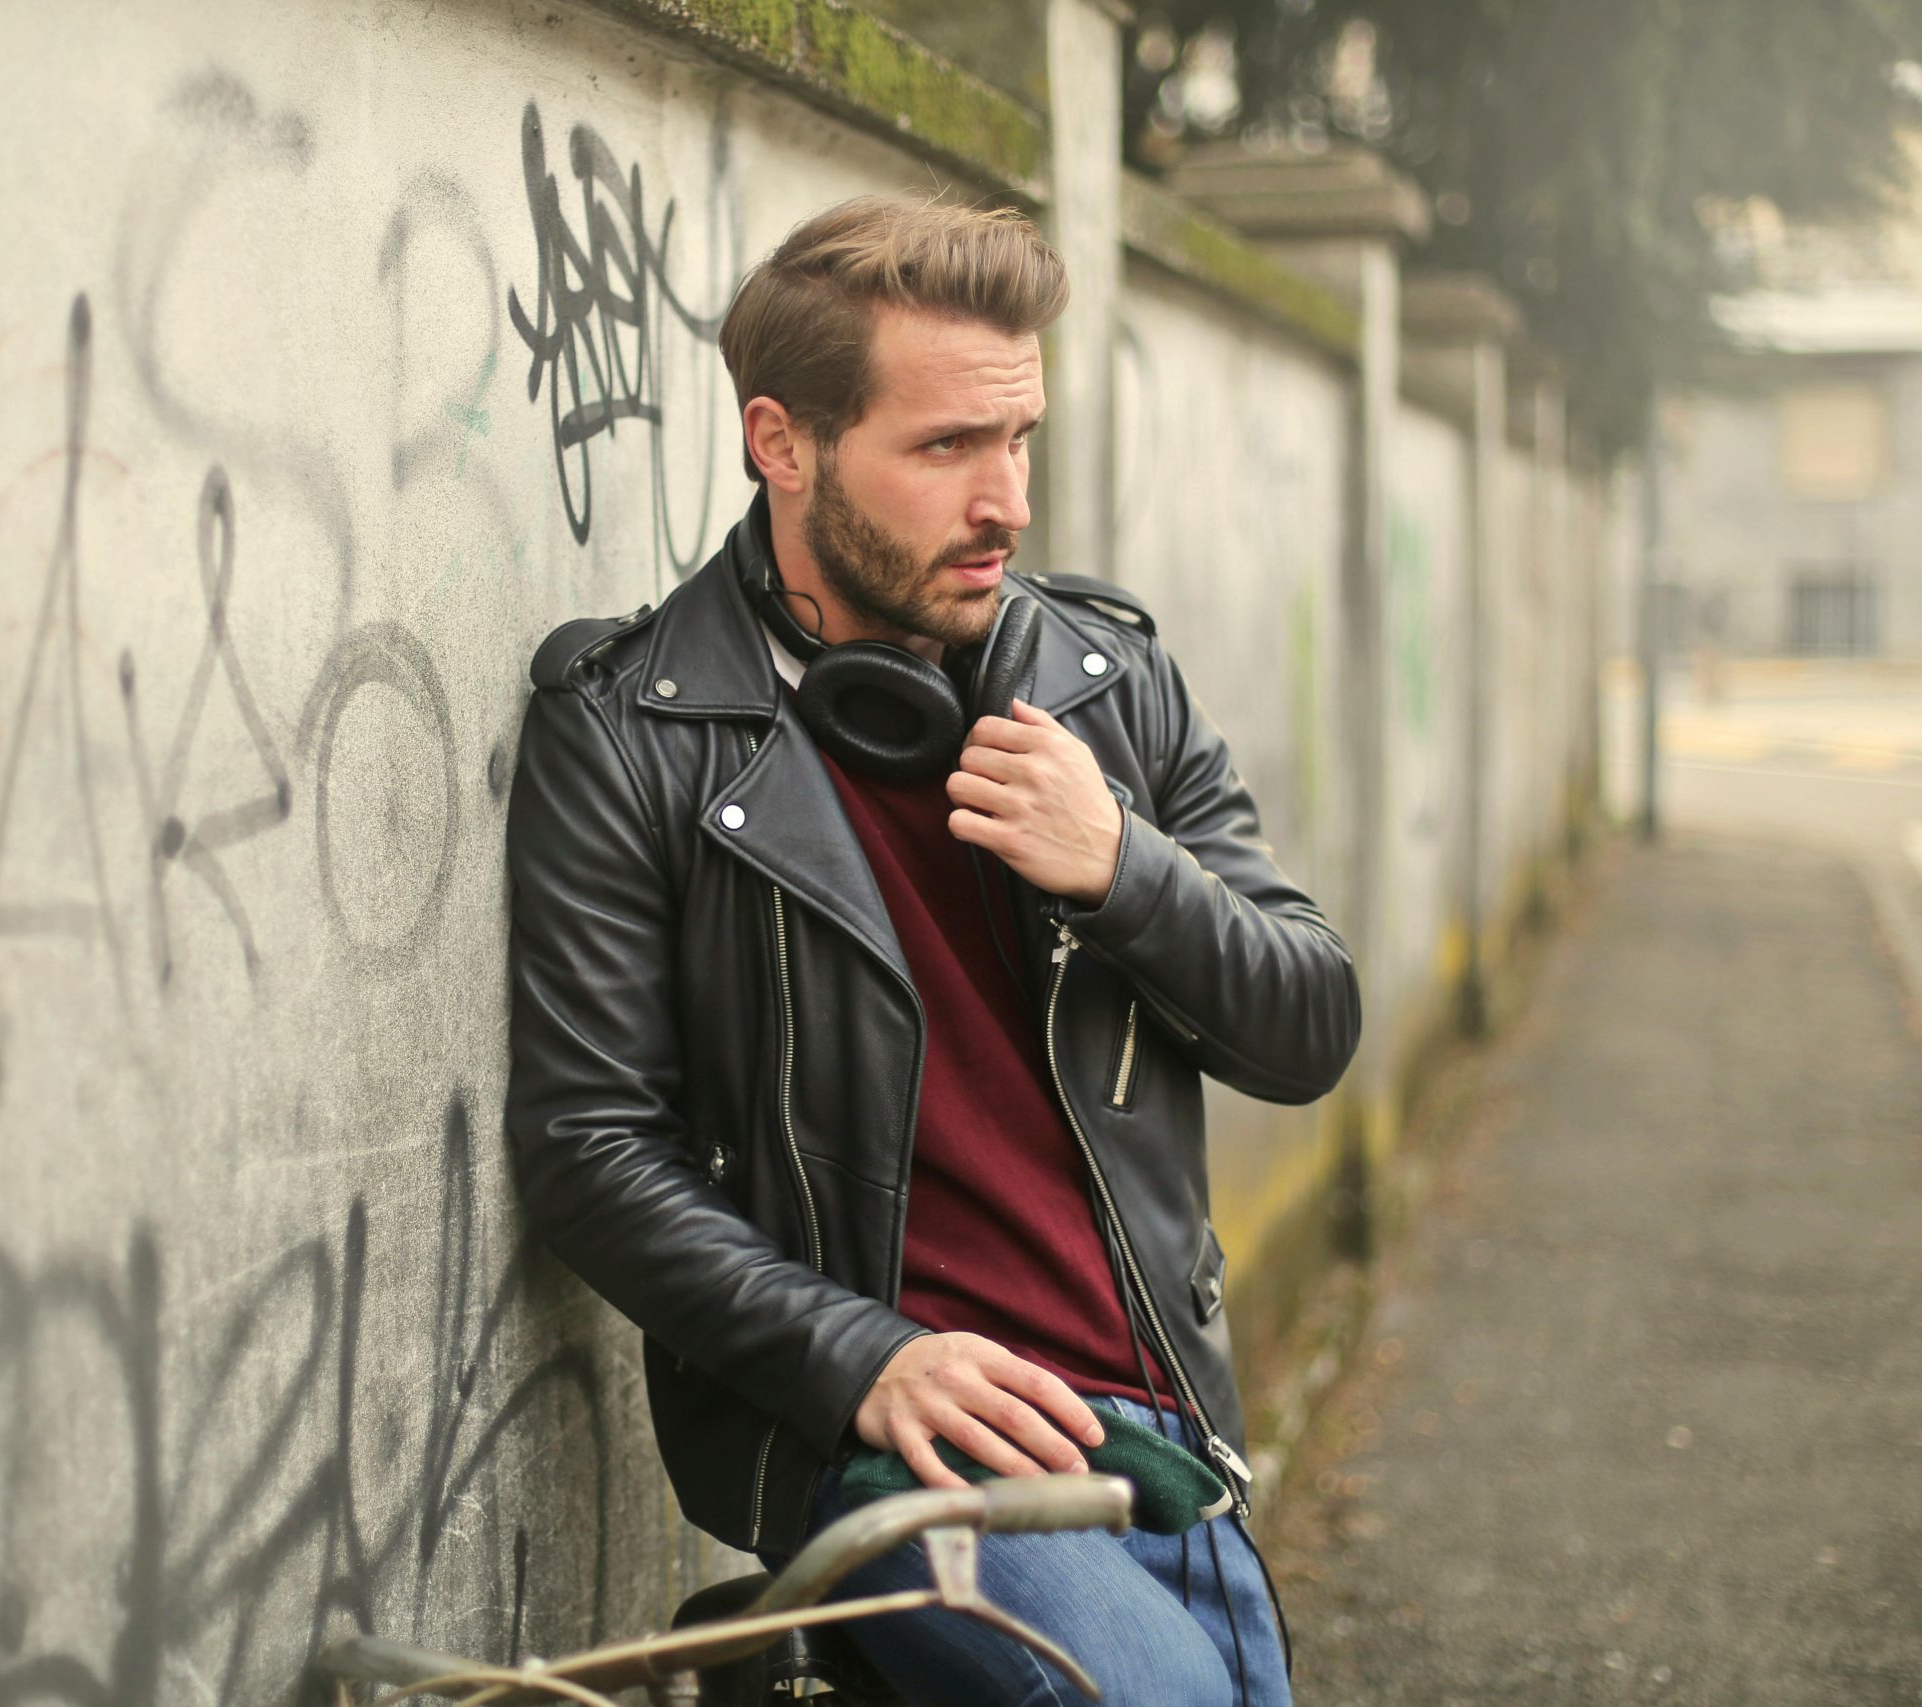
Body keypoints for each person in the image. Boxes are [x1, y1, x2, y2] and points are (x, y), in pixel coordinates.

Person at [504, 194, 1360, 1707]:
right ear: (783, 443)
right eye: (947, 447)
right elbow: (588, 1145)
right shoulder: (635, 733)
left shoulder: (1103, 685)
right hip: (891, 1432)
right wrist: (863, 1359)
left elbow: (1309, 1025)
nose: (1007, 501)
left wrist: (1123, 872)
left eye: (1017, 439)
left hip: (1162, 1422)